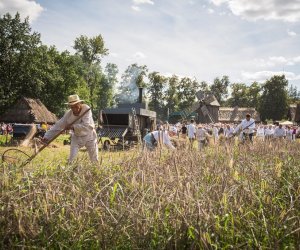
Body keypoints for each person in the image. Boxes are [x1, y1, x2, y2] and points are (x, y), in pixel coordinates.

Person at [43, 94, 98, 163]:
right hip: (77, 137)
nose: (75, 109)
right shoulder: (68, 114)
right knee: (71, 160)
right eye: (72, 107)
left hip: (90, 136)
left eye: (76, 106)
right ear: (70, 107)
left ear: (80, 103)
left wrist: (72, 127)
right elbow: (58, 125)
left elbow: (86, 126)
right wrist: (46, 136)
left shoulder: (86, 109)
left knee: (94, 160)